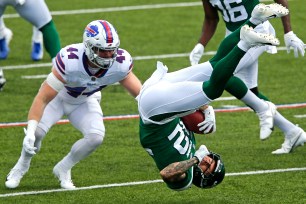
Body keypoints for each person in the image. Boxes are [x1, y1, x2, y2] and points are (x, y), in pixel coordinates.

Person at [138, 4, 284, 190]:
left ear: (202, 176)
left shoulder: (184, 180)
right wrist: (205, 108)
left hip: (154, 111)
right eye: (210, 161)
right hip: (158, 101)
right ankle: (254, 20)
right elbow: (180, 107)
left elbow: (166, 173)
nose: (206, 160)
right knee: (214, 66)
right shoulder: (192, 147)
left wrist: (195, 159)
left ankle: (245, 43)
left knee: (213, 89)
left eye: (207, 166)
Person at [5, 19, 142, 189]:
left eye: (111, 50)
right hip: (59, 98)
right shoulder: (70, 59)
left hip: (85, 100)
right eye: (102, 51)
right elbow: (43, 98)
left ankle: (64, 168)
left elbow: (141, 94)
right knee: (37, 134)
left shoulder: (121, 63)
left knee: (95, 137)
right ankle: (21, 165)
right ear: (89, 47)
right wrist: (31, 131)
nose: (108, 56)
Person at [189, 1, 306, 154]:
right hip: (234, 36)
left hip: (258, 32)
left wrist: (288, 32)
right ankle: (292, 132)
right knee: (250, 93)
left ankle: (265, 109)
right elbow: (211, 18)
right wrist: (201, 44)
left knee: (220, 74)